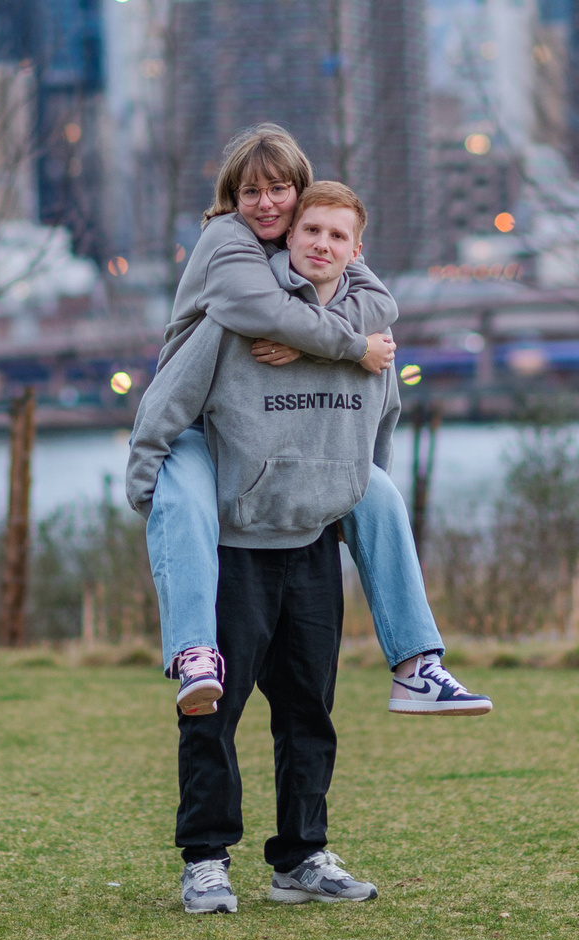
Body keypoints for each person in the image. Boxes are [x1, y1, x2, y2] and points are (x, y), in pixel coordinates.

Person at [142, 124, 487, 722]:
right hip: (200, 427)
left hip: (264, 433)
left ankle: (417, 667)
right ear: (232, 197)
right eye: (250, 191)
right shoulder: (228, 242)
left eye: (279, 190)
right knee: (188, 508)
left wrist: (311, 347)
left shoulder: (304, 245)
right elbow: (262, 312)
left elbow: (380, 302)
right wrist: (350, 349)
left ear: (299, 193)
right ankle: (195, 652)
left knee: (377, 494)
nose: (265, 203)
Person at [127, 182, 403, 913]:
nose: (321, 245)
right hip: (235, 545)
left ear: (356, 250)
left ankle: (302, 858)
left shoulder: (364, 336)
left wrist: (356, 497)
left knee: (311, 706)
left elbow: (382, 421)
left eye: (337, 237)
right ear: (289, 238)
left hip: (312, 540)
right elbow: (169, 398)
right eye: (310, 230)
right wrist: (145, 482)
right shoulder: (236, 317)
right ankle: (206, 860)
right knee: (214, 709)